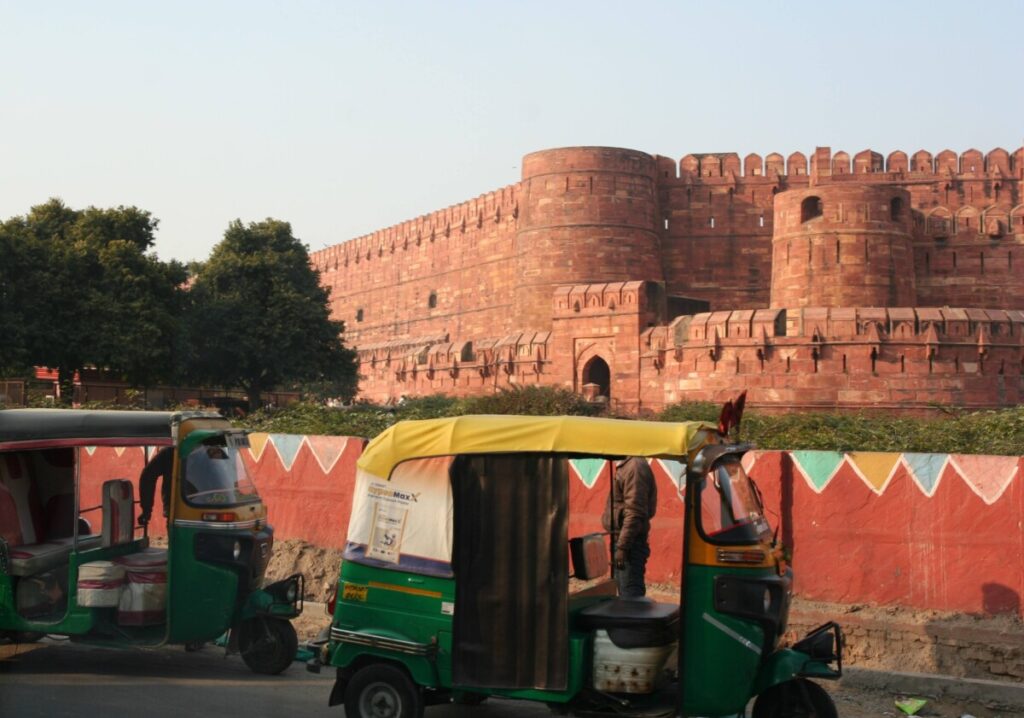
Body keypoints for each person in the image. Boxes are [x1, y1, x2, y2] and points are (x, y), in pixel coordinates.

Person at [601, 456, 658, 598]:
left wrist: (622, 547)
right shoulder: (627, 465)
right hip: (623, 540)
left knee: (630, 597)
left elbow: (635, 513)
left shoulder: (634, 467)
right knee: (624, 594)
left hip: (630, 543)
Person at [138, 446, 174, 526]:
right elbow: (148, 475)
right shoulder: (171, 452)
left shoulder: (172, 452)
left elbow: (147, 475)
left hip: (176, 511)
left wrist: (146, 510)